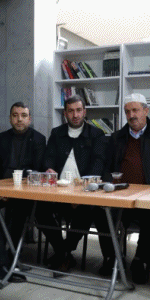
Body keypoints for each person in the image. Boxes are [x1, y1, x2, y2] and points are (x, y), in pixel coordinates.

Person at [96, 93, 150, 281]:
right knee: (101, 211)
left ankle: (141, 259)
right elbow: (106, 167)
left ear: (146, 111)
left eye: (135, 110)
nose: (131, 115)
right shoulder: (116, 137)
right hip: (120, 196)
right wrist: (110, 185)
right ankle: (112, 257)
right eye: (127, 111)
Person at [38, 94, 107, 273]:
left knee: (88, 209)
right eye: (70, 111)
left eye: (78, 110)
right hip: (58, 191)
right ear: (65, 114)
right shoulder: (56, 133)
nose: (75, 115)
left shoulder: (97, 134)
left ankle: (64, 252)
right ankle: (63, 251)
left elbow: (98, 163)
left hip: (84, 191)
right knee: (38, 209)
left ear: (85, 112)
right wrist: (49, 168)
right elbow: (48, 157)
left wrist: (81, 193)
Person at [0, 102, 45, 279]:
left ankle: (11, 258)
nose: (19, 119)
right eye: (15, 115)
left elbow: (37, 170)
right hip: (1, 189)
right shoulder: (2, 138)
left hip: (25, 191)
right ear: (10, 118)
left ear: (29, 119)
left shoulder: (39, 139)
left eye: (23, 115)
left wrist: (15, 191)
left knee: (19, 210)